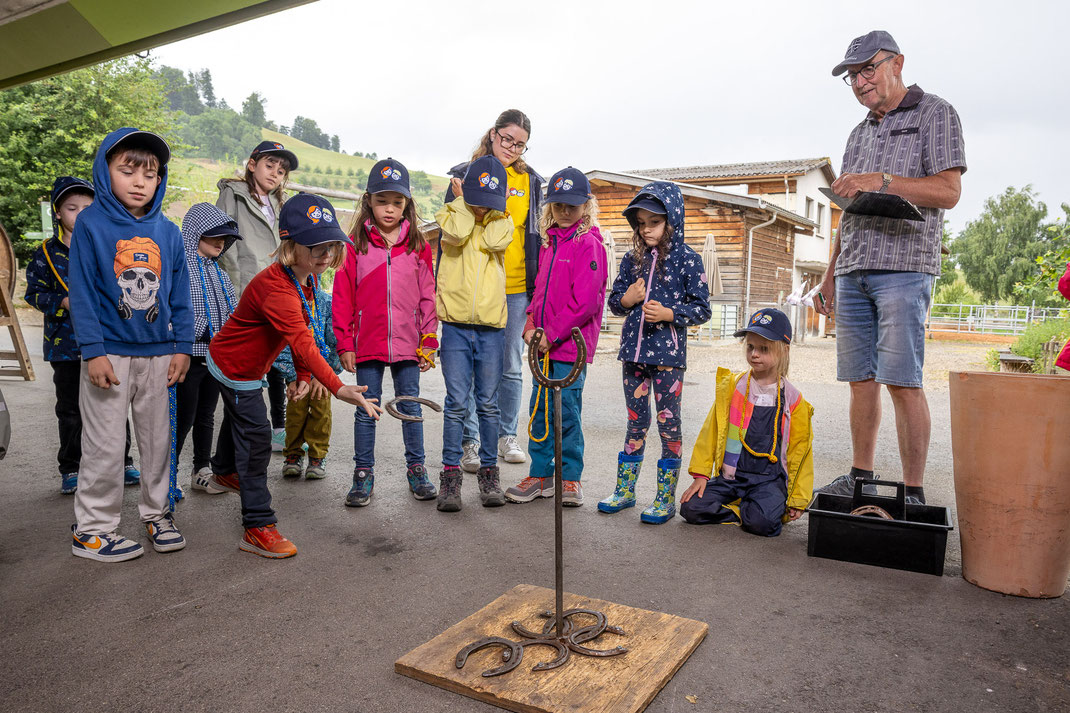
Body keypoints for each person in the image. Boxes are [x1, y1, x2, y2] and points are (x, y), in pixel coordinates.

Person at [814, 31, 966, 504]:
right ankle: (860, 476)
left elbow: (948, 192)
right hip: (853, 267)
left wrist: (882, 179)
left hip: (904, 266)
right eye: (851, 76)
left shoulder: (935, 113)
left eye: (867, 70)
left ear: (897, 62)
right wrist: (829, 272)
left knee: (903, 380)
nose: (859, 82)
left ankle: (913, 492)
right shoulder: (858, 133)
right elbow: (847, 207)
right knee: (861, 381)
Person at [204, 193, 381, 558]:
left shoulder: (308, 280)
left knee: (240, 420)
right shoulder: (276, 287)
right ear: (289, 244)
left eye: (330, 245)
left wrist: (303, 374)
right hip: (236, 368)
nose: (325, 254)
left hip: (246, 364)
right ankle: (257, 526)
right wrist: (337, 387)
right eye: (315, 246)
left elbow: (306, 331)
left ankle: (222, 471)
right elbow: (302, 342)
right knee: (255, 440)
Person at [67, 128, 193, 562]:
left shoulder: (170, 231)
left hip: (160, 355)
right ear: (105, 172)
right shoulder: (91, 223)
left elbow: (180, 294)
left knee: (158, 442)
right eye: (128, 170)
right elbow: (81, 291)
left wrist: (183, 346)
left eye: (151, 173)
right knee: (104, 444)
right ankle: (93, 530)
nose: (140, 182)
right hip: (110, 356)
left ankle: (157, 514)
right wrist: (93, 350)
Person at [598, 181, 711, 524]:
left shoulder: (689, 259)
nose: (646, 229)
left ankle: (664, 498)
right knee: (635, 422)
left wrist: (669, 315)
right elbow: (615, 302)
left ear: (672, 220)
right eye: (641, 222)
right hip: (632, 358)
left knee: (668, 424)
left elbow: (702, 309)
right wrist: (628, 299)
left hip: (667, 361)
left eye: (654, 221)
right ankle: (626, 490)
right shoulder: (632, 259)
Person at [333, 158, 439, 507]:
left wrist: (429, 338)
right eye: (382, 201)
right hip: (368, 341)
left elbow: (428, 293)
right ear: (369, 201)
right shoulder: (355, 245)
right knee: (367, 408)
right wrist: (345, 342)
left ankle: (417, 469)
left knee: (410, 405)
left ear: (407, 202)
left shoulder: (418, 245)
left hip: (410, 342)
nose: (389, 209)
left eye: (397, 201)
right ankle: (363, 473)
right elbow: (343, 295)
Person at [25, 176, 141, 495]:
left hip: (108, 343)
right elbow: (33, 294)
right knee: (71, 409)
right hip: (66, 346)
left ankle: (123, 460)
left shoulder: (107, 246)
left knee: (115, 403)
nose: (80, 213)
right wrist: (60, 302)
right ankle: (72, 467)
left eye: (87, 207)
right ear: (58, 213)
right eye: (72, 208)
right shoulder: (46, 253)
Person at [445, 110, 543, 472]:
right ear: (493, 133)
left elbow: (535, 233)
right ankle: (470, 441)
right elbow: (451, 236)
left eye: (520, 144)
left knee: (510, 365)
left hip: (516, 285)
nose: (512, 148)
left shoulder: (531, 180)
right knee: (471, 366)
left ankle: (505, 436)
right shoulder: (462, 174)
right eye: (507, 139)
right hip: (474, 285)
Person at [503, 168, 608, 507]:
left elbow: (587, 301)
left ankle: (571, 479)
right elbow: (538, 295)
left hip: (569, 350)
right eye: (559, 205)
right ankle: (541, 475)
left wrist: (552, 333)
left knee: (567, 415)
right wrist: (530, 325)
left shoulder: (589, 245)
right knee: (541, 411)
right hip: (543, 348)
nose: (565, 211)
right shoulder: (549, 244)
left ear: (585, 206)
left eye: (572, 206)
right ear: (550, 207)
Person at [679, 308, 814, 536]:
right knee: (691, 508)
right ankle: (741, 510)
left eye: (764, 349)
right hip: (732, 476)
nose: (754, 354)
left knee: (764, 525)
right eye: (750, 347)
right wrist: (700, 475)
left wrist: (798, 497)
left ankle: (756, 509)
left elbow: (801, 450)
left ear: (784, 351)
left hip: (768, 480)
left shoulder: (794, 400)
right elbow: (711, 432)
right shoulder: (734, 388)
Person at [434, 156, 514, 512]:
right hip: (454, 327)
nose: (483, 207)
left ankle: (489, 473)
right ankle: (450, 477)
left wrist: (496, 209)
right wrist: (463, 201)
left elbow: (496, 241)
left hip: (491, 329)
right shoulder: (451, 215)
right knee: (455, 404)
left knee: (488, 403)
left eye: (490, 201)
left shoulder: (502, 221)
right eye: (478, 198)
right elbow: (458, 234)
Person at [217, 140, 299, 452]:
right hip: (245, 288)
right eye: (269, 166)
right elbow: (223, 241)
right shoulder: (233, 194)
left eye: (281, 171)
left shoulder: (280, 204)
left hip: (276, 288)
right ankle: (241, 433)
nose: (275, 174)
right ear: (252, 164)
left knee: (277, 356)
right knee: (246, 365)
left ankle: (278, 427)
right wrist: (234, 282)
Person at [175, 202, 240, 493]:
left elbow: (233, 309)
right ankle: (167, 472)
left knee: (206, 415)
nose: (221, 241)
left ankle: (202, 468)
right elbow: (172, 309)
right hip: (187, 357)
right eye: (213, 235)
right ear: (193, 234)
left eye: (224, 237)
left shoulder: (219, 272)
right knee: (181, 417)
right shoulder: (180, 268)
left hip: (214, 359)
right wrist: (200, 330)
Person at [274, 280, 342, 480]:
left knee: (321, 413)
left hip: (321, 374)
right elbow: (282, 343)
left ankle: (317, 456)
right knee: (295, 411)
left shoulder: (327, 304)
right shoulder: (289, 303)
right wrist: (291, 376)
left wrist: (326, 374)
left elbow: (335, 340)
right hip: (296, 373)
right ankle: (293, 454)